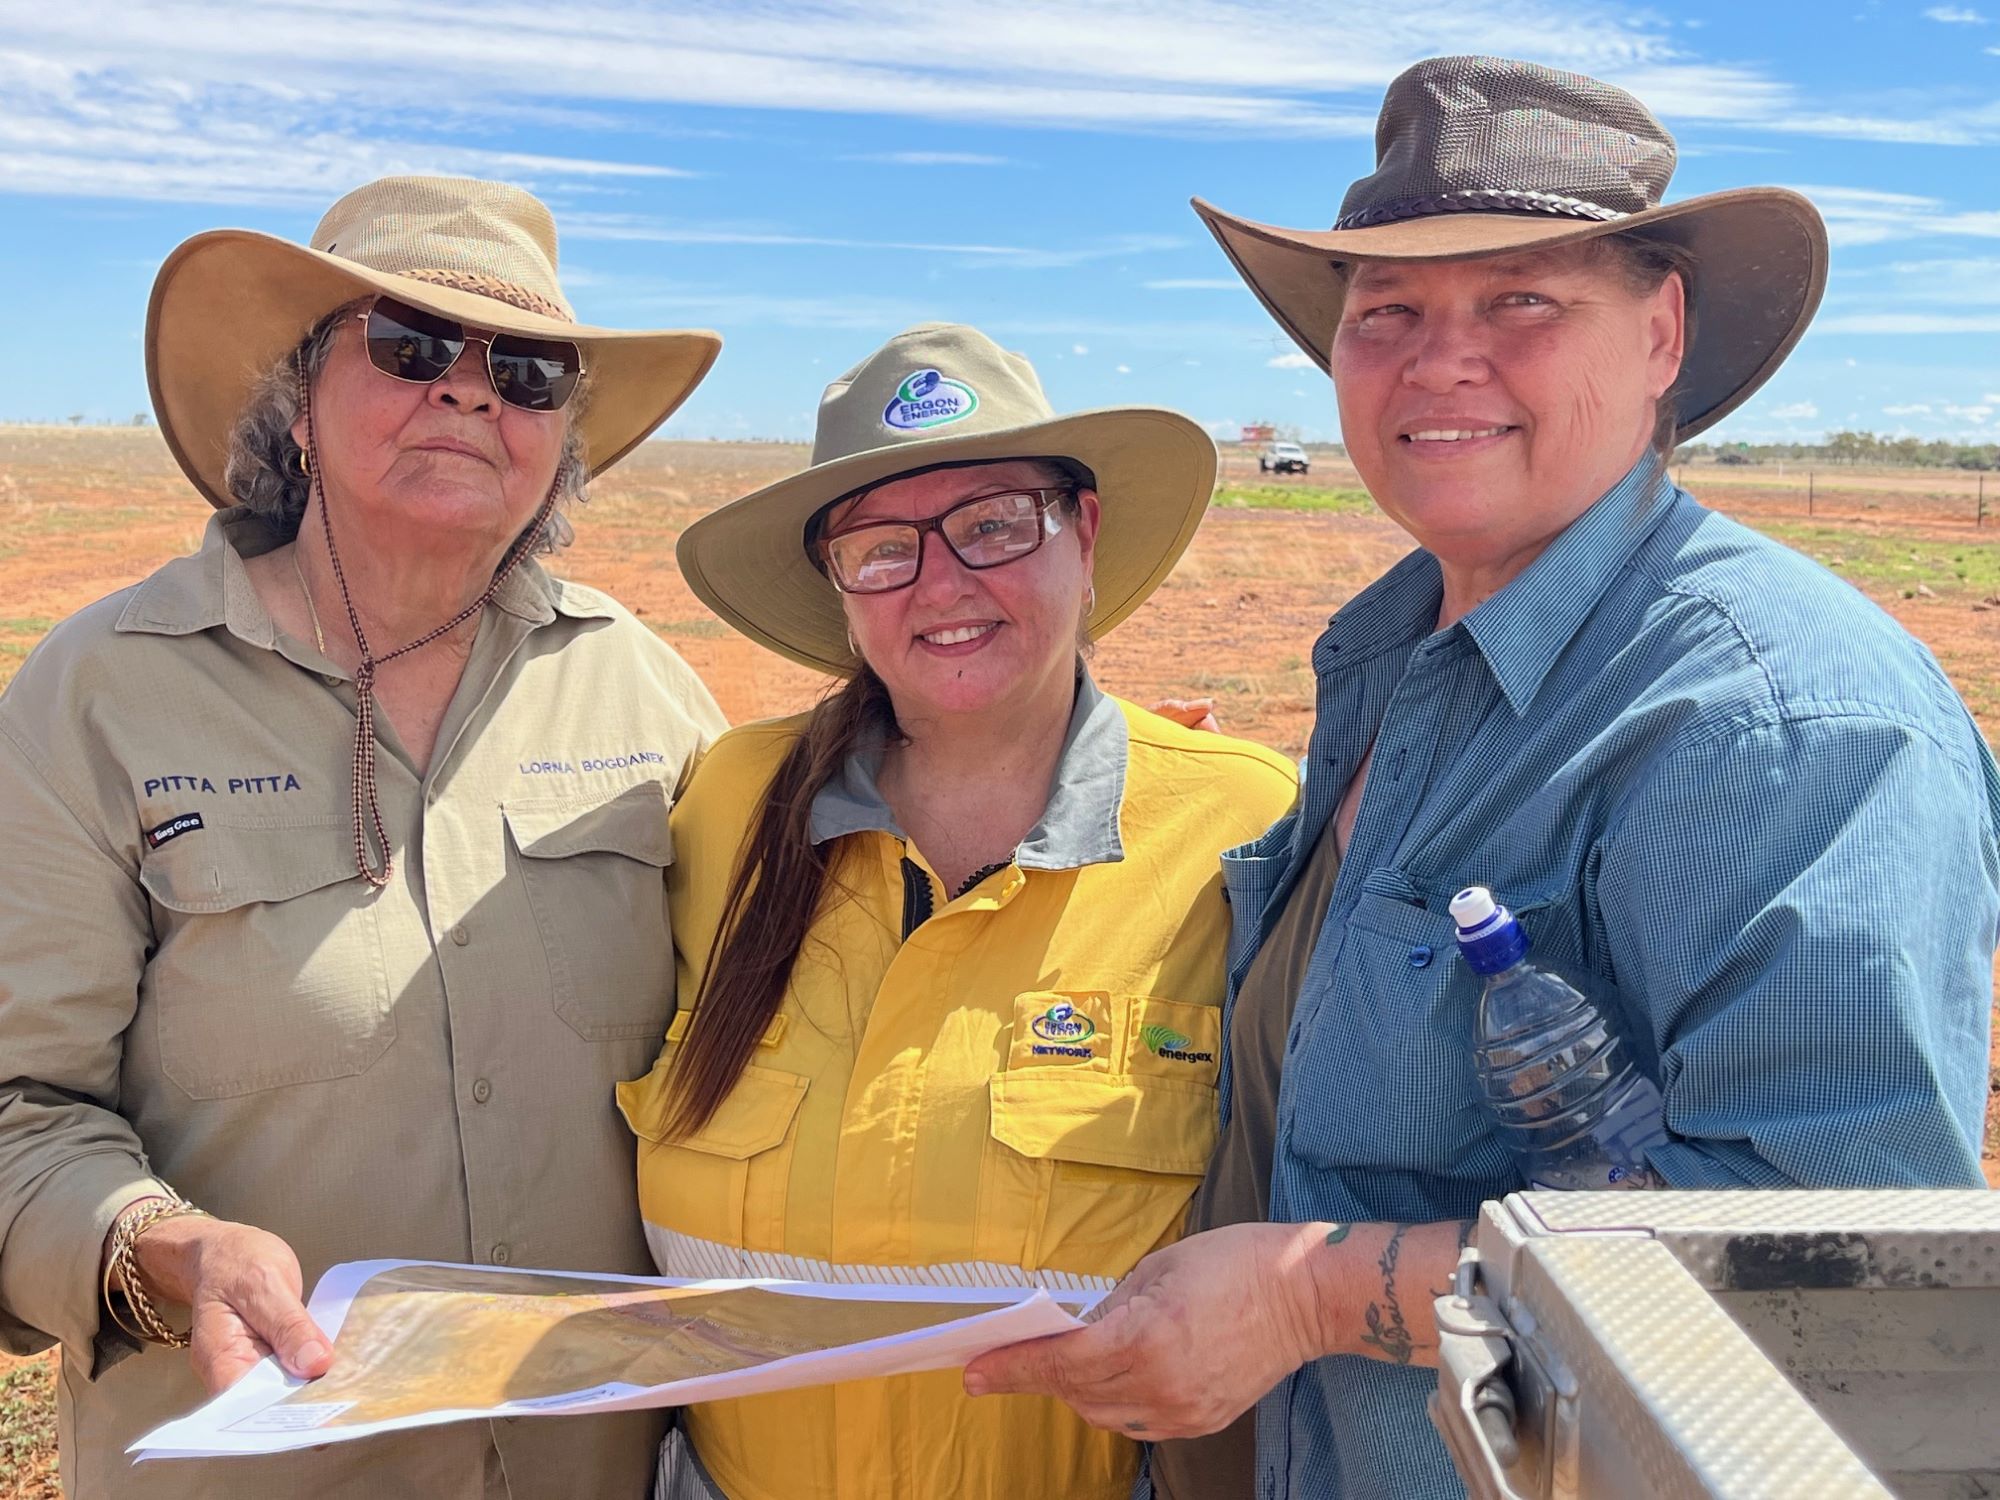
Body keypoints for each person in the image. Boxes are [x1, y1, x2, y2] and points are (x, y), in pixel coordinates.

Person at [963, 56, 2000, 1499]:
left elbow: (1834, 1291)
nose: (1441, 358)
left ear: (1662, 335)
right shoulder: (1400, 656)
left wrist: (1311, 1297)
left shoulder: (1774, 720)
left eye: (1522, 299)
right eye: (1386, 311)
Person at [0, 175, 727, 1498]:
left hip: (586, 1466)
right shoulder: (101, 689)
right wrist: (159, 1245)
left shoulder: (644, 689)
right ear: (295, 399)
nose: (468, 391)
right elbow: (16, 1107)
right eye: (408, 348)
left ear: (560, 435)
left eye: (527, 370)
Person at [616, 322, 1300, 1499]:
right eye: (883, 548)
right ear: (838, 590)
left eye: (992, 524)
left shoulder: (1237, 829)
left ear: (1082, 536)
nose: (942, 583)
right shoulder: (724, 807)